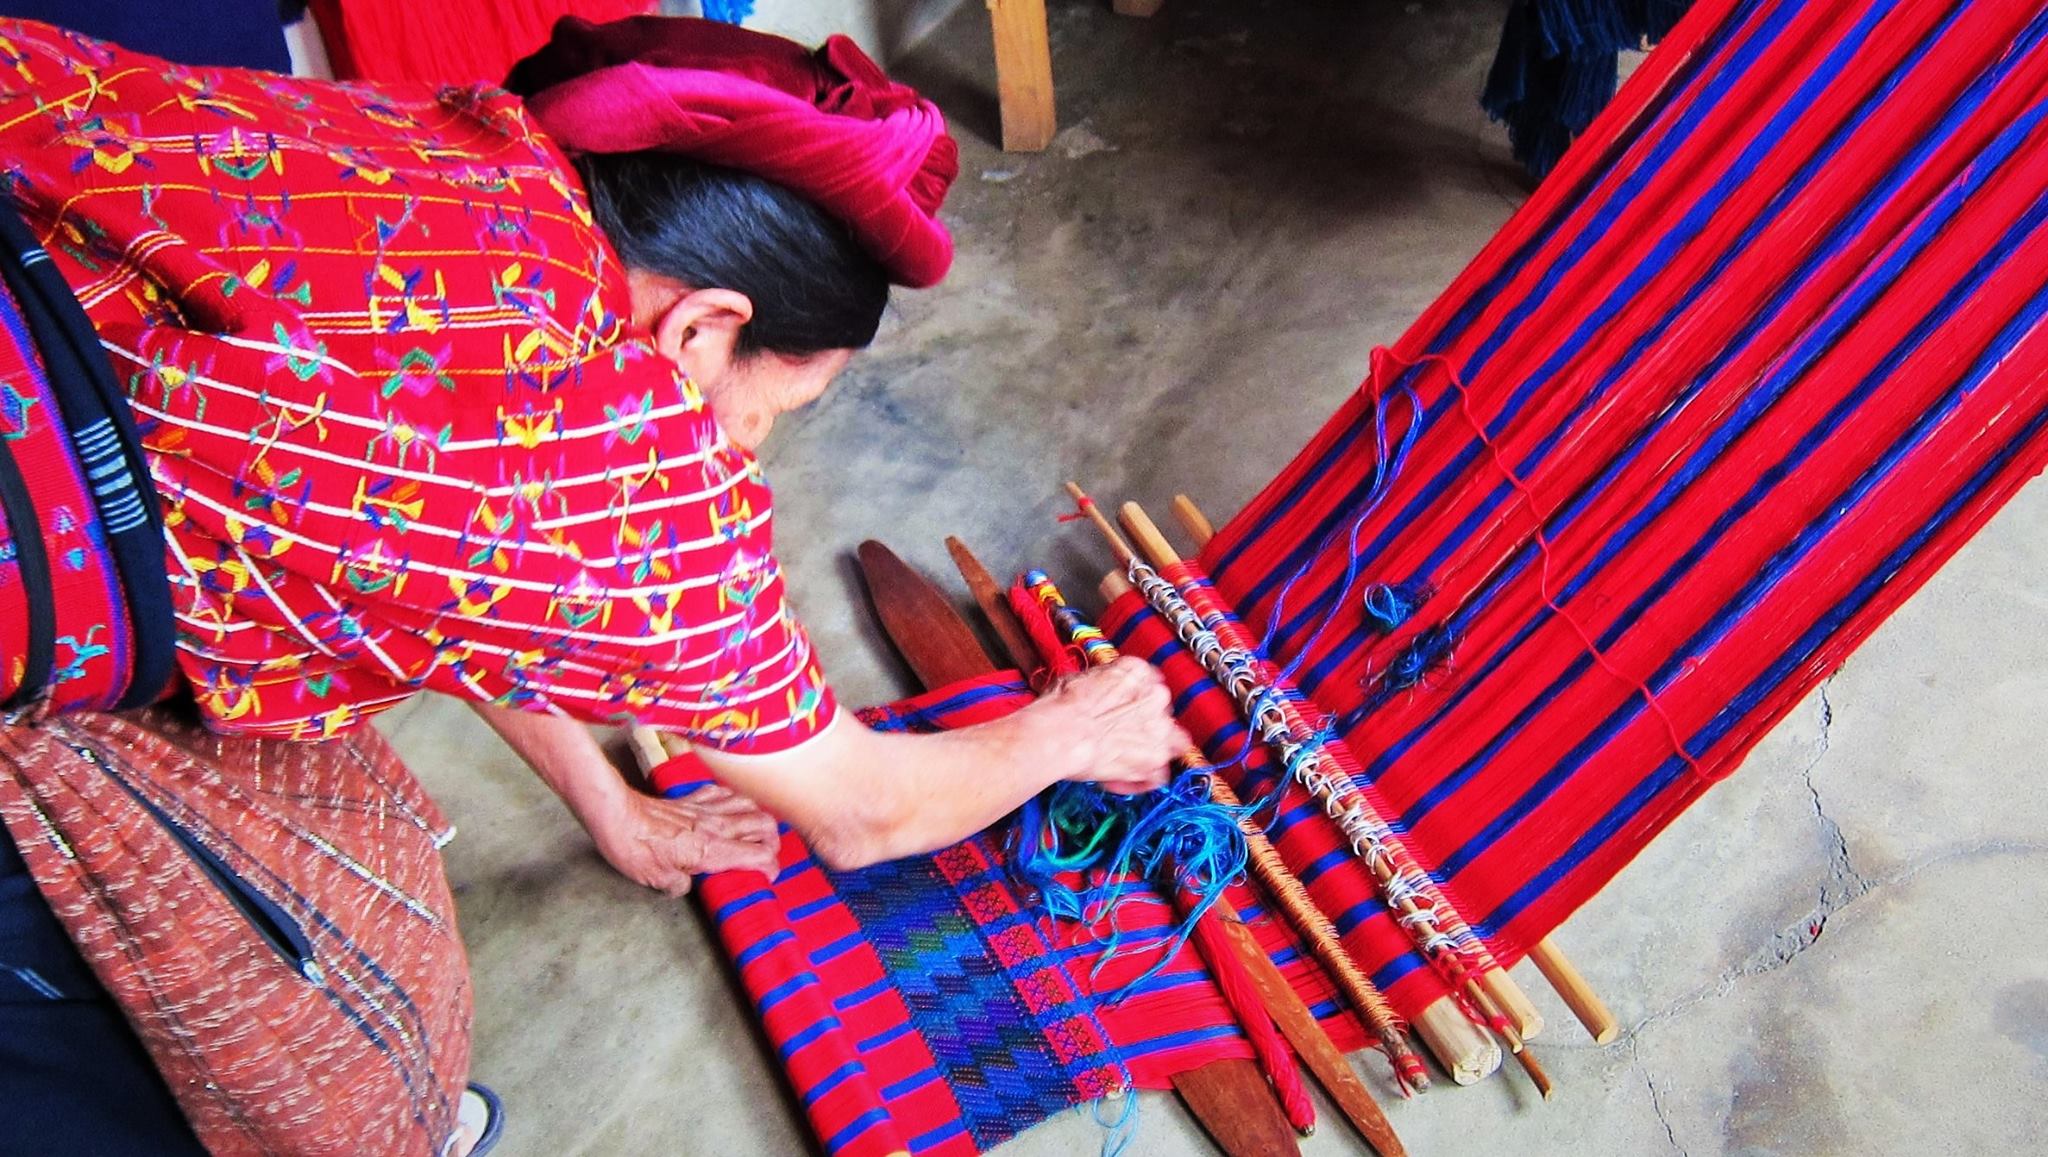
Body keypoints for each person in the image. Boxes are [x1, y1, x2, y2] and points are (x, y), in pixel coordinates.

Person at [0, 13, 1190, 1155]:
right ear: (704, 328)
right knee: (185, 1063)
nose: (748, 450)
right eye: (773, 407)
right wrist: (1070, 729)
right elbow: (864, 808)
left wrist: (610, 805)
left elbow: (450, 567)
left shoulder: (461, 149)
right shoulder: (624, 466)